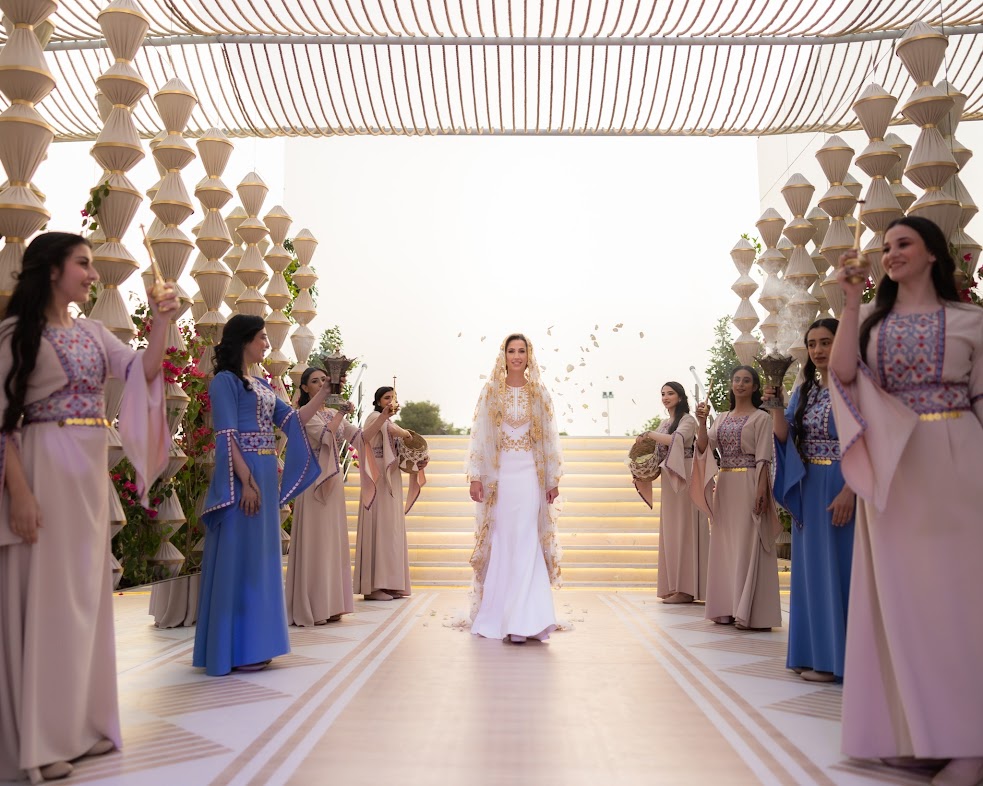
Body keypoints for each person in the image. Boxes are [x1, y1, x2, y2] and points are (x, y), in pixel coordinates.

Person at [0, 232, 175, 783]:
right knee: (51, 603)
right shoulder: (15, 335)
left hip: (87, 479)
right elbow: (2, 421)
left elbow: (143, 371)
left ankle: (83, 726)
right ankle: (41, 742)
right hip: (43, 470)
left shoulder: (94, 333)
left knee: (86, 603)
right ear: (52, 270)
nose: (93, 274)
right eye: (83, 264)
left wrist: (162, 322)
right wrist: (20, 493)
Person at [829, 216, 983, 785]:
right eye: (886, 246)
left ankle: (970, 747)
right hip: (894, 472)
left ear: (933, 254)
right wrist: (851, 300)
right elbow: (842, 373)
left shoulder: (972, 321)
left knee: (961, 606)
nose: (891, 253)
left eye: (903, 244)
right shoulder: (871, 321)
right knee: (902, 607)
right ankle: (915, 735)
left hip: (961, 465)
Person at [193, 315, 326, 676]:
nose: (267, 344)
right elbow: (226, 435)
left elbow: (293, 421)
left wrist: (324, 392)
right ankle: (235, 650)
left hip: (265, 474)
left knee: (261, 560)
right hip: (243, 477)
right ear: (244, 340)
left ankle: (257, 644)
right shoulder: (225, 381)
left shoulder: (262, 384)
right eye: (262, 337)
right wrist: (246, 481)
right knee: (241, 558)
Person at [765, 319, 854, 684]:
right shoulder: (806, 391)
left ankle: (838, 661)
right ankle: (811, 653)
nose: (818, 350)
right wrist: (776, 404)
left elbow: (870, 441)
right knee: (810, 573)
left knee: (840, 570)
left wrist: (851, 489)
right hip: (809, 487)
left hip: (844, 485)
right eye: (812, 343)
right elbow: (784, 435)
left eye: (826, 342)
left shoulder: (857, 389)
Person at [466, 334, 563, 643]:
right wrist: (476, 476)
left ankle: (527, 620)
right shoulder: (491, 391)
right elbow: (480, 434)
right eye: (512, 351)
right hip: (500, 476)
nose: (517, 356)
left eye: (522, 351)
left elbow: (549, 437)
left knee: (527, 538)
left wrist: (551, 479)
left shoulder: (539, 393)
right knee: (503, 539)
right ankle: (501, 616)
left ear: (529, 355)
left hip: (530, 476)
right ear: (504, 355)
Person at [692, 365, 782, 630]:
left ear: (755, 387)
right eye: (737, 380)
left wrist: (762, 490)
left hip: (750, 483)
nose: (740, 384)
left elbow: (764, 457)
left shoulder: (761, 418)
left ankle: (748, 612)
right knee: (725, 545)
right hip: (725, 483)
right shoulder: (720, 418)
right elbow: (703, 447)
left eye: (746, 380)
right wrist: (701, 422)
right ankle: (726, 608)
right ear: (731, 385)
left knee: (747, 543)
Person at [285, 367, 361, 625]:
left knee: (332, 541)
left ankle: (332, 604)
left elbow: (359, 438)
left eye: (323, 380)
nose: (320, 384)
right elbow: (327, 436)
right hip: (313, 479)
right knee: (316, 541)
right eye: (315, 381)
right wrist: (341, 412)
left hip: (334, 479)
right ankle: (313, 606)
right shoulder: (304, 415)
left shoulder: (329, 412)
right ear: (305, 388)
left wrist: (383, 419)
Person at [636, 382, 708, 604]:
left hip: (684, 476)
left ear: (680, 397)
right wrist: (641, 468)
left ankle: (687, 588)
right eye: (663, 394)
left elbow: (678, 440)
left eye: (670, 393)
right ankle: (673, 585)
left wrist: (650, 434)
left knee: (684, 529)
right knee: (671, 530)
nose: (666, 397)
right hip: (669, 478)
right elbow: (659, 449)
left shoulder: (688, 420)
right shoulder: (664, 423)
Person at [353, 386, 416, 601]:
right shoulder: (375, 417)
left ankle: (391, 583)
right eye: (387, 397)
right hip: (377, 475)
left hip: (392, 476)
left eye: (394, 398)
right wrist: (403, 431)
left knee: (390, 529)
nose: (391, 401)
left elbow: (398, 438)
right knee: (378, 526)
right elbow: (383, 433)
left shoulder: (390, 422)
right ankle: (373, 587)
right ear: (378, 401)